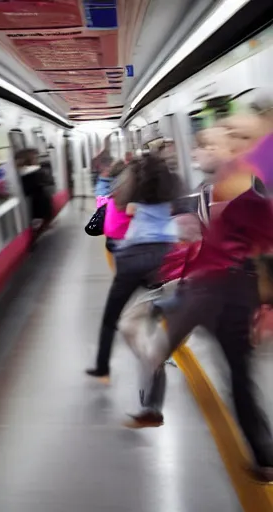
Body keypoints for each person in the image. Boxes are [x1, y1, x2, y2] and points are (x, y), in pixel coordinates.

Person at [127, 109, 273, 482]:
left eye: (213, 143)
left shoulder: (248, 191)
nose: (200, 151)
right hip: (214, 288)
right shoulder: (210, 191)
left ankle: (151, 398)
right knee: (238, 375)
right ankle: (265, 456)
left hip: (217, 290)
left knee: (153, 339)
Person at [85, 155, 181, 383]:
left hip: (132, 259)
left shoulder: (129, 198)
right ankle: (161, 354)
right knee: (155, 309)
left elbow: (121, 212)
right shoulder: (171, 195)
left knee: (112, 317)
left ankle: (102, 368)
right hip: (165, 259)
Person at [16, 148, 54, 236]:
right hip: (37, 209)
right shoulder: (36, 172)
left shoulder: (20, 173)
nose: (37, 159)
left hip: (32, 208)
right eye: (35, 157)